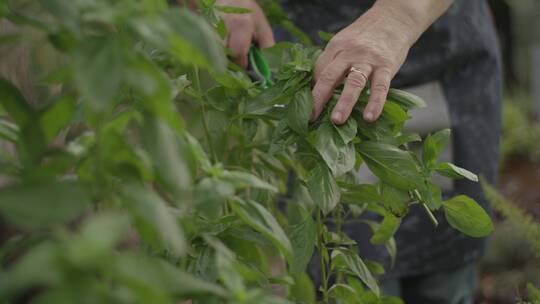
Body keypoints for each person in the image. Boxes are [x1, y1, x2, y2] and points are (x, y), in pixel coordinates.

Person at [217, 0, 502, 303]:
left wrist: (397, 15)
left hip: (436, 53)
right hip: (311, 80)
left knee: (440, 277)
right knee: (337, 269)